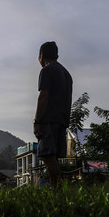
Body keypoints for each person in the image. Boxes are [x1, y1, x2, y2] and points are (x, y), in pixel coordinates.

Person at [33, 41, 73, 189]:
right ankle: (57, 189)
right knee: (54, 156)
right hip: (62, 120)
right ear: (56, 54)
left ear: (41, 55)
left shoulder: (47, 70)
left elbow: (43, 96)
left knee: (48, 155)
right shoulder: (66, 74)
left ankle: (57, 190)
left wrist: (37, 121)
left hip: (49, 120)